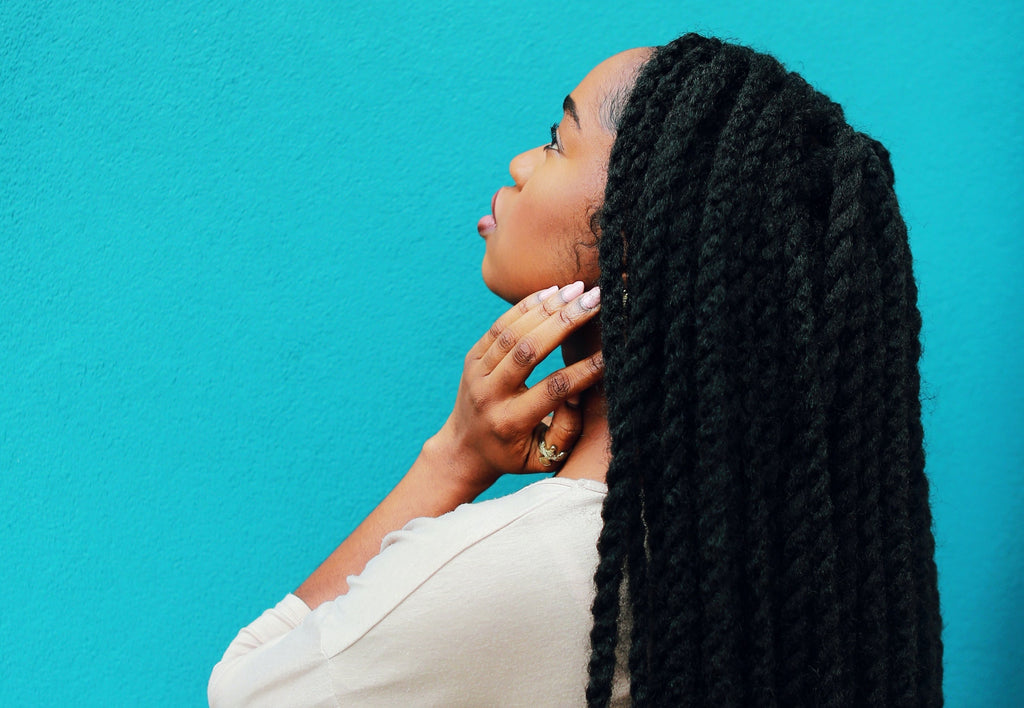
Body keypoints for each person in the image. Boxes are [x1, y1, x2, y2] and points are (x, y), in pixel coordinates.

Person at [209, 34, 942, 707]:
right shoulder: (790, 560)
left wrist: (453, 461)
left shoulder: (522, 573)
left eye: (557, 141)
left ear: (631, 242)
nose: (521, 165)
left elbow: (242, 690)